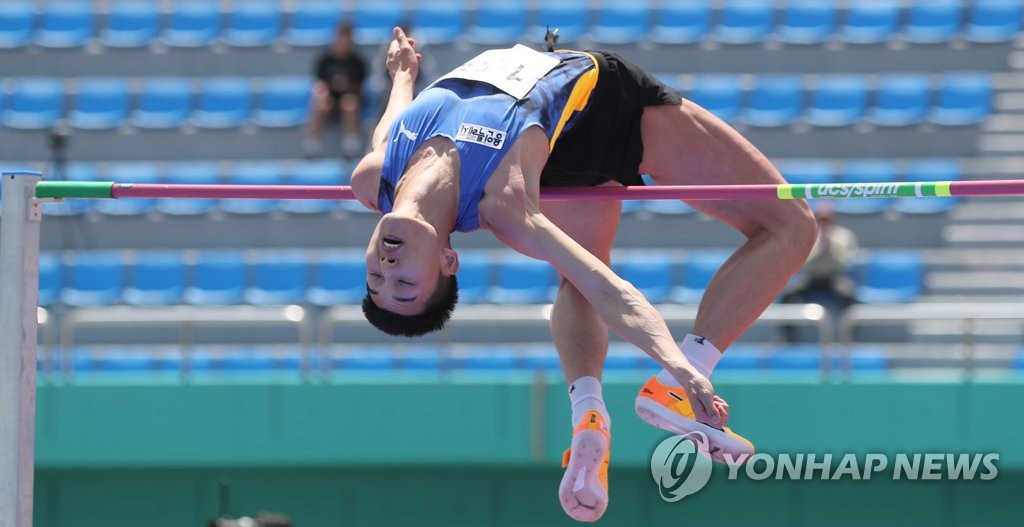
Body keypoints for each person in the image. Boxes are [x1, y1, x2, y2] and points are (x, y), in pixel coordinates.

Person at [351, 28, 817, 522]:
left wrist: (402, 74)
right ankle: (677, 382)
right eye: (405, 285)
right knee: (792, 224)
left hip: (553, 148)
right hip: (605, 112)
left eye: (376, 281)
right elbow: (608, 289)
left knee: (578, 270)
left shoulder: (374, 177)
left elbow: (390, 127)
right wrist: (685, 368)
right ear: (448, 260)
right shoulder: (505, 205)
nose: (387, 270)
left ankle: (588, 415)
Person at [781, 205, 859, 341]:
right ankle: (790, 335)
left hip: (833, 277)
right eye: (821, 218)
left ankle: (849, 335)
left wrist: (830, 250)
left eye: (827, 219)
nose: (824, 222)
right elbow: (804, 262)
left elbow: (845, 262)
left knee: (849, 295)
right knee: (788, 295)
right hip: (812, 277)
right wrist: (819, 251)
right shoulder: (808, 235)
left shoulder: (844, 236)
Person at [304, 22, 368, 159]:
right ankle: (311, 146)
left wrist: (346, 86)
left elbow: (360, 88)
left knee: (349, 103)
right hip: (329, 100)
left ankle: (350, 148)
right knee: (319, 102)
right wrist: (327, 89)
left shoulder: (357, 62)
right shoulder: (325, 60)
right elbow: (319, 83)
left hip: (349, 99)